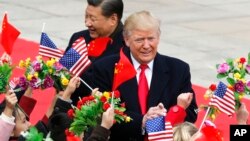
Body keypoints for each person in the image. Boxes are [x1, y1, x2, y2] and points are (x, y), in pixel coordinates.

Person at [89, 10, 198, 140]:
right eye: (139, 40)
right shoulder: (105, 68)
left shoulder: (179, 69)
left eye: (151, 38)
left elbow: (191, 114)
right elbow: (101, 115)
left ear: (158, 38)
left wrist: (165, 117)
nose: (146, 46)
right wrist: (142, 121)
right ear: (127, 40)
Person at [66, 0, 125, 104]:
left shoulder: (127, 47)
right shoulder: (79, 39)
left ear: (113, 19)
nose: (87, 23)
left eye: (93, 19)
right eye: (86, 16)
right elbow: (64, 74)